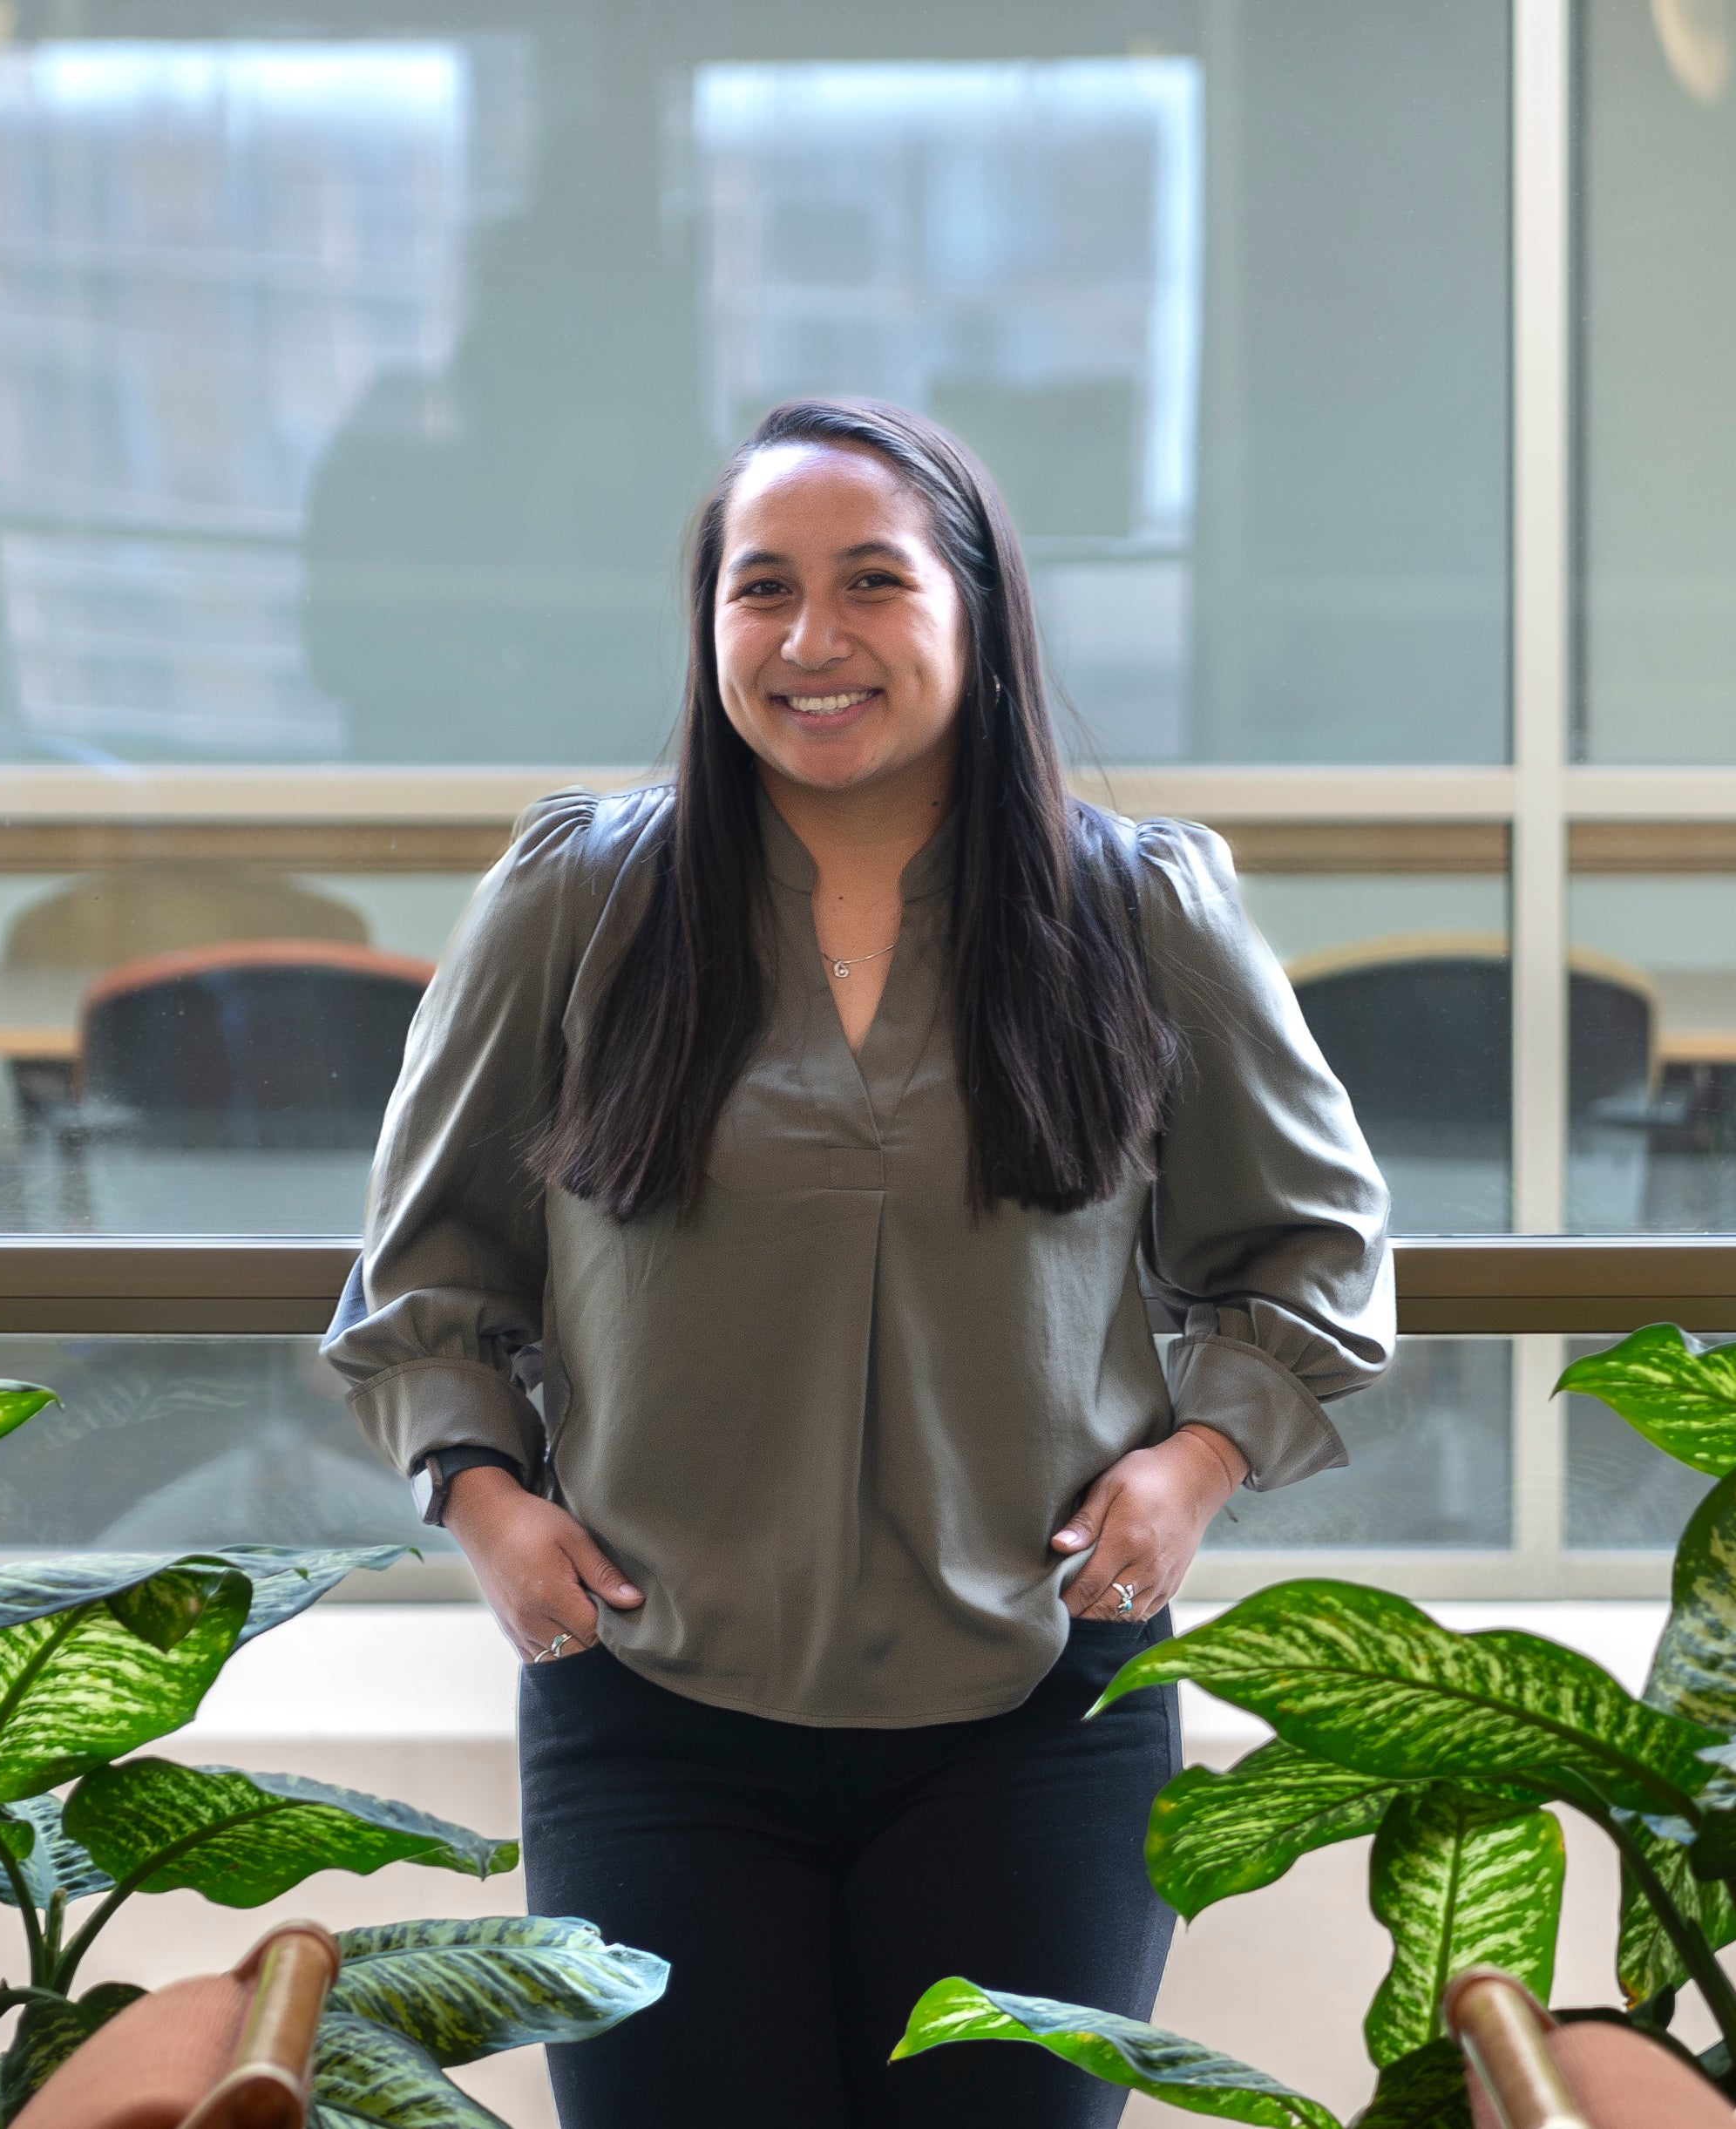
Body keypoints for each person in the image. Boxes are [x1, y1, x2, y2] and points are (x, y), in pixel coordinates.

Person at [322, 397, 1391, 2128]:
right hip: (651, 1714)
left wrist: (1200, 1461)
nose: (813, 642)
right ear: (710, 627)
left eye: (872, 584)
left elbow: (1313, 1243)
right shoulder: (579, 901)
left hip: (1041, 1719)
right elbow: (427, 1261)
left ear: (975, 612)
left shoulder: (1136, 911)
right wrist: (479, 1496)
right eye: (763, 591)